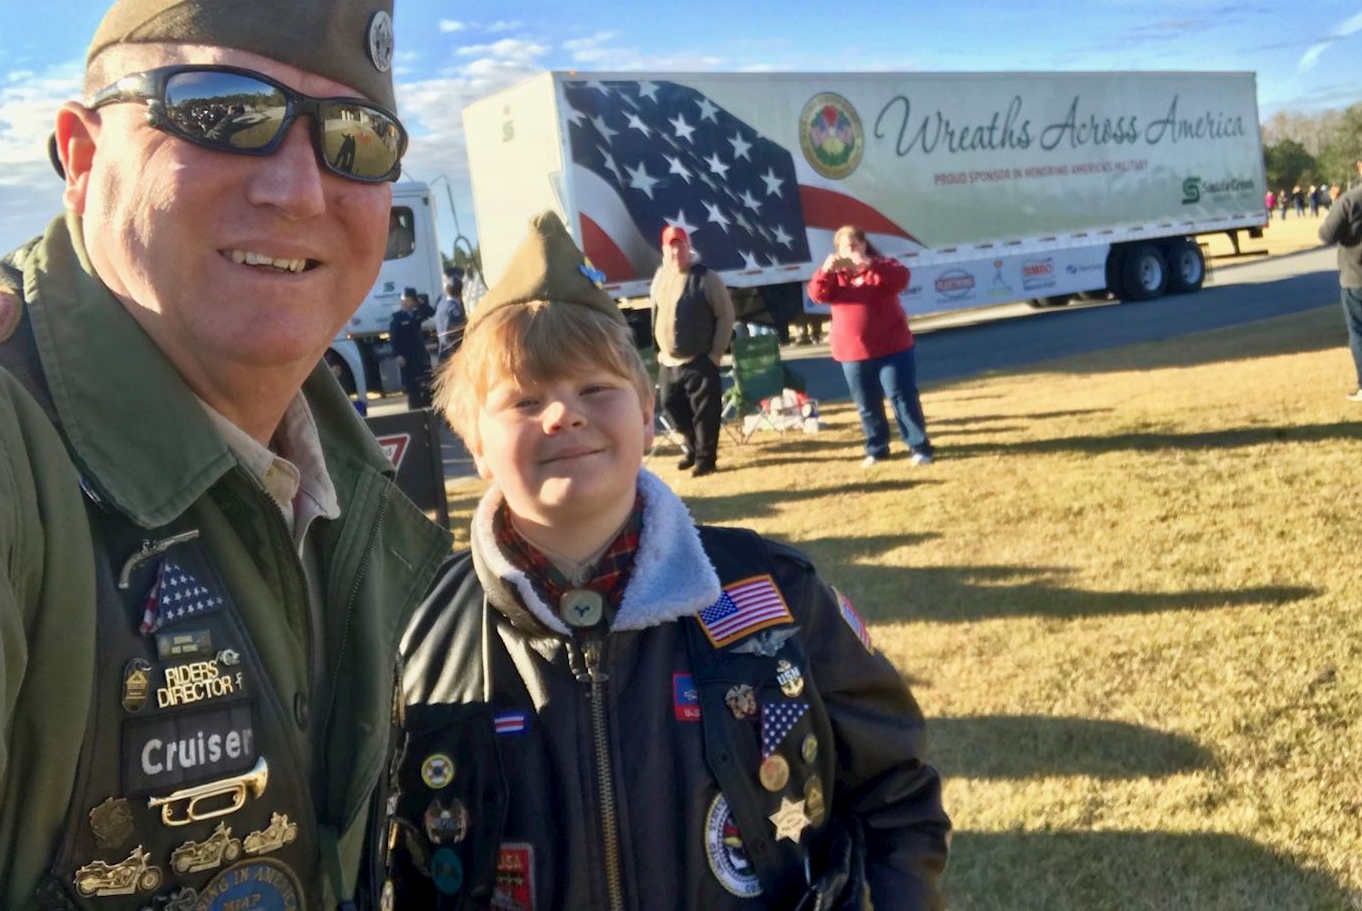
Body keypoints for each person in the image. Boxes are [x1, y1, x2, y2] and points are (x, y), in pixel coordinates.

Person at [0, 0, 452, 908]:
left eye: (355, 139)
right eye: (225, 112)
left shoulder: (350, 491)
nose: (297, 187)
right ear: (81, 153)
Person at [380, 212, 949, 909]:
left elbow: (894, 793)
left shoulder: (777, 593)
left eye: (596, 389)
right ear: (472, 443)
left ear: (649, 416)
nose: (563, 416)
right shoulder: (409, 632)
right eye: (525, 400)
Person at [809, 226, 935, 467]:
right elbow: (817, 295)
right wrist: (824, 271)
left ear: (865, 245)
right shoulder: (835, 276)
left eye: (855, 245)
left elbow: (902, 279)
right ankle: (877, 448)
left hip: (893, 348)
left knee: (902, 397)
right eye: (846, 247)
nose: (851, 251)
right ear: (838, 251)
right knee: (866, 403)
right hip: (852, 353)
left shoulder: (882, 265)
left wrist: (870, 265)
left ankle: (919, 446)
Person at [650, 225, 736, 476]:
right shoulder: (660, 277)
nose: (676, 252)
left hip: (700, 359)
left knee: (705, 414)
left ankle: (706, 460)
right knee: (670, 407)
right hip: (669, 362)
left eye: (680, 246)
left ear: (689, 247)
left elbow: (726, 315)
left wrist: (716, 354)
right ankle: (692, 448)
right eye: (671, 247)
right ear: (664, 251)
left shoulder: (706, 278)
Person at [1318, 158, 1362, 401]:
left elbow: (1326, 234)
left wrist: (1335, 204)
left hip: (1356, 276)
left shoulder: (1350, 200)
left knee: (1359, 333)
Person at [391, 285, 432, 408]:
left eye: (407, 300)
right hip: (406, 357)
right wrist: (397, 355)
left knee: (426, 385)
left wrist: (419, 302)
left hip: (419, 355)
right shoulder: (397, 318)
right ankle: (415, 413)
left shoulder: (417, 314)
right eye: (403, 300)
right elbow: (394, 338)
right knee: (412, 389)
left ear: (413, 301)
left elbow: (431, 311)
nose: (404, 302)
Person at [434, 272, 467, 362]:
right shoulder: (454, 310)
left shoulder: (441, 306)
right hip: (453, 356)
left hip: (443, 353)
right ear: (461, 291)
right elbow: (456, 337)